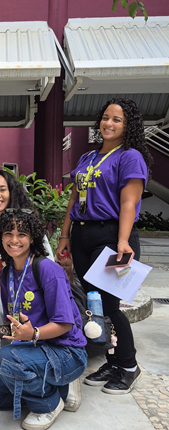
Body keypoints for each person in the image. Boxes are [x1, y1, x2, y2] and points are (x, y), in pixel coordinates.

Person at [56, 97, 152, 395]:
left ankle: (130, 366)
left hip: (113, 237)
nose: (109, 123)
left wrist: (123, 241)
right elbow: (73, 199)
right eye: (106, 118)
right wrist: (64, 237)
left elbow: (128, 202)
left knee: (111, 306)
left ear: (128, 125)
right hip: (83, 236)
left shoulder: (130, 157)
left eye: (117, 120)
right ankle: (113, 361)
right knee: (95, 304)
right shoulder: (87, 158)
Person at [0, 209, 87, 430]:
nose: (14, 240)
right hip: (33, 348)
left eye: (22, 234)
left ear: (33, 238)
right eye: (8, 233)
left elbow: (65, 324)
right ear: (0, 238)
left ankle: (49, 402)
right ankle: (61, 387)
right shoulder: (8, 272)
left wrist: (34, 334)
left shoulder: (47, 269)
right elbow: (15, 324)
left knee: (6, 359)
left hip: (66, 351)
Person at [0, 170, 54, 359]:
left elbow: (48, 263)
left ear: (12, 192)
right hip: (6, 283)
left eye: (2, 189)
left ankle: (1, 357)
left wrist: (2, 289)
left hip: (31, 289)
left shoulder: (26, 222)